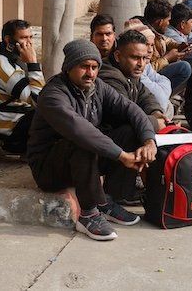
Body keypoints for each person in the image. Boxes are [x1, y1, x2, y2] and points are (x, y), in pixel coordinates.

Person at [27, 39, 158, 241]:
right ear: (69, 68)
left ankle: (107, 201)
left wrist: (149, 141)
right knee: (83, 140)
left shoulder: (98, 87)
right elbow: (80, 130)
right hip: (49, 168)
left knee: (129, 131)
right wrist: (122, 155)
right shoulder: (54, 94)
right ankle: (87, 214)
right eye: (84, 67)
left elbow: (132, 110)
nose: (90, 73)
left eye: (95, 67)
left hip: (84, 162)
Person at [0, 19, 45, 154]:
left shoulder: (13, 60)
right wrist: (33, 63)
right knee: (53, 113)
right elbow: (39, 102)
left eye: (31, 37)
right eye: (23, 38)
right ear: (9, 40)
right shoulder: (6, 69)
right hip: (12, 136)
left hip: (22, 121)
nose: (29, 43)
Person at [99, 30, 170, 136]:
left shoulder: (129, 72)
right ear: (118, 56)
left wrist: (156, 112)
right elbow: (123, 115)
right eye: (135, 58)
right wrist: (155, 122)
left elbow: (146, 96)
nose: (141, 64)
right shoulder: (109, 77)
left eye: (144, 58)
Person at [143, 0, 192, 92]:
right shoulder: (145, 37)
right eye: (168, 21)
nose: (169, 24)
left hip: (155, 75)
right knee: (184, 67)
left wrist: (179, 46)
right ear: (160, 22)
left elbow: (166, 41)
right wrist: (167, 58)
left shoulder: (156, 32)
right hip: (147, 79)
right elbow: (145, 69)